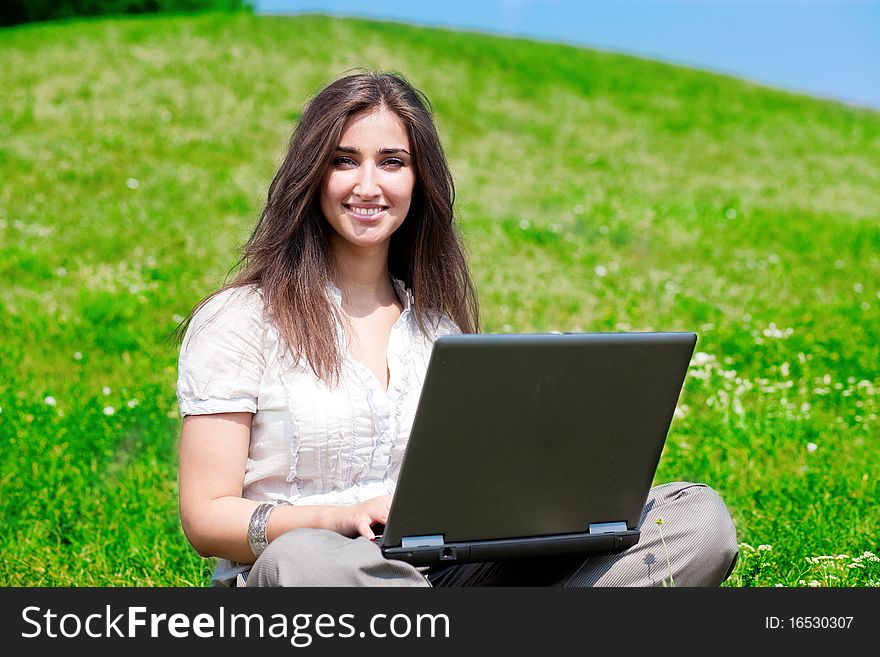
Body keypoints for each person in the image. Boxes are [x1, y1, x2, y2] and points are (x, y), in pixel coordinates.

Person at [175, 70, 738, 587]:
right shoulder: (241, 320)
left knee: (695, 518)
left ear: (419, 181)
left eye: (391, 162)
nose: (368, 185)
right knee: (302, 560)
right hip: (320, 576)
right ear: (311, 174)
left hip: (445, 572)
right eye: (344, 160)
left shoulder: (435, 328)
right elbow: (206, 518)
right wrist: (340, 518)